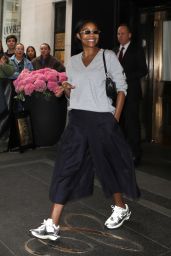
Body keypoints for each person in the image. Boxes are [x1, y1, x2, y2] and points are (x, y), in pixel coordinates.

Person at [29, 19, 140, 241]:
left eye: (95, 32)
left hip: (102, 120)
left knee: (106, 167)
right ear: (79, 36)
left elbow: (122, 88)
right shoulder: (71, 62)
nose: (91, 35)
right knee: (65, 166)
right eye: (85, 32)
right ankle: (52, 223)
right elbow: (73, 92)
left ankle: (121, 208)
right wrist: (65, 90)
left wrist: (114, 119)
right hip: (78, 119)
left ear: (99, 34)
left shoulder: (108, 57)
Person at [116, 24, 148, 167]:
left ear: (129, 35)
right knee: (119, 126)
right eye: (118, 33)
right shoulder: (114, 51)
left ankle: (135, 155)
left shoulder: (137, 50)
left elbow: (143, 70)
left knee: (132, 125)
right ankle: (121, 153)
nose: (120, 36)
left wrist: (124, 77)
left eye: (123, 33)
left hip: (132, 94)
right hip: (117, 95)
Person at [0, 53, 15, 152]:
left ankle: (3, 141)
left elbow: (11, 72)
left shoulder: (5, 58)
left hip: (4, 87)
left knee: (3, 112)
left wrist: (2, 64)